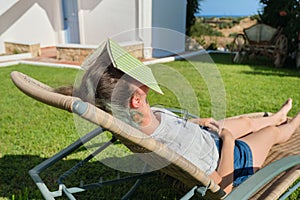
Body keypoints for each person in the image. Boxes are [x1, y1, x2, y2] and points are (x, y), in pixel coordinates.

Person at [56, 39, 300, 193]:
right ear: (136, 100)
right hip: (233, 159)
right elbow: (222, 188)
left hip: (206, 138)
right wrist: (228, 140)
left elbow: (174, 127)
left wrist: (199, 123)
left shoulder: (138, 122)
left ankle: (278, 115)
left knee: (247, 122)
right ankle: (292, 122)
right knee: (272, 134)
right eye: (137, 76)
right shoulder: (175, 147)